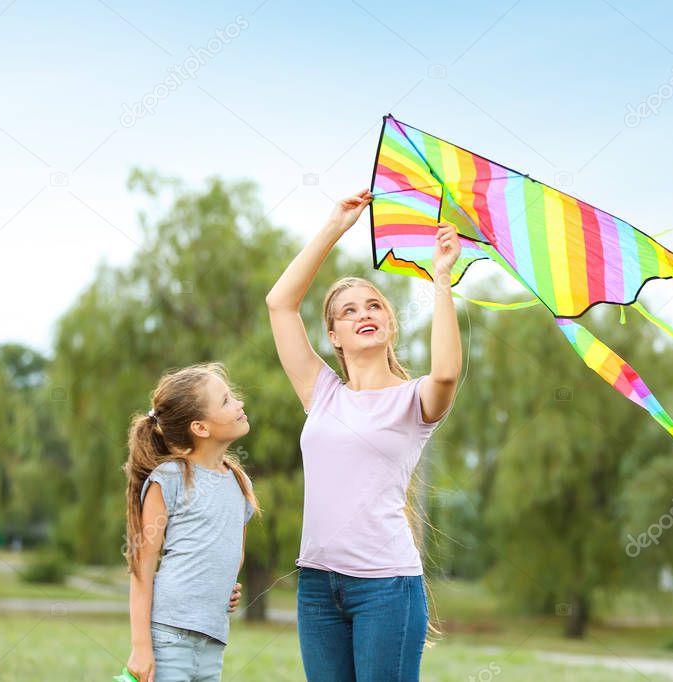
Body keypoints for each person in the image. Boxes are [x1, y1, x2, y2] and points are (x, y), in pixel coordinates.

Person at [265, 188, 462, 680]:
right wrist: (335, 225)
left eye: (373, 306)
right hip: (316, 585)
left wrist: (441, 278)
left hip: (386, 587)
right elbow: (280, 304)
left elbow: (446, 373)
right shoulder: (322, 393)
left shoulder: (414, 400)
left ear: (390, 325)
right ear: (333, 336)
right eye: (348, 311)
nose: (363, 314)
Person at [122, 362, 260, 682]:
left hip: (213, 640)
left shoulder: (240, 483)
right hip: (170, 637)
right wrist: (141, 647)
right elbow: (142, 568)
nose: (239, 404)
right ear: (200, 428)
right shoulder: (169, 478)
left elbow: (232, 550)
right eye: (226, 401)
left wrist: (223, 585)